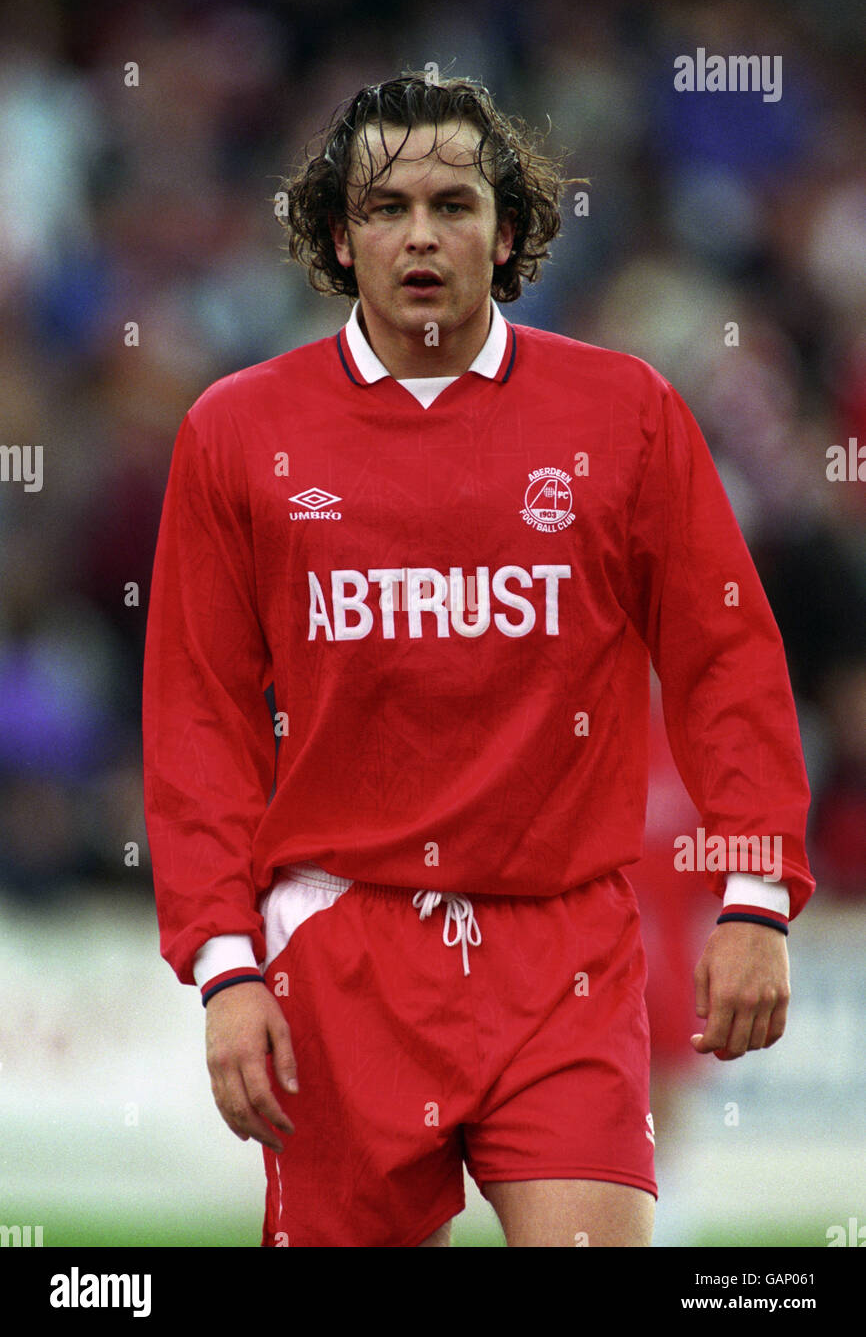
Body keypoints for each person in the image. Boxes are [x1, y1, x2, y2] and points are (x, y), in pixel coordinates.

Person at [142, 72, 815, 1248]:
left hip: (562, 949)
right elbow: (197, 717)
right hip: (339, 951)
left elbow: (725, 659)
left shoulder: (627, 413)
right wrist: (225, 965)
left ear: (506, 231)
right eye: (385, 206)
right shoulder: (237, 432)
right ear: (337, 238)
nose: (420, 234)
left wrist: (755, 894)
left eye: (452, 204)